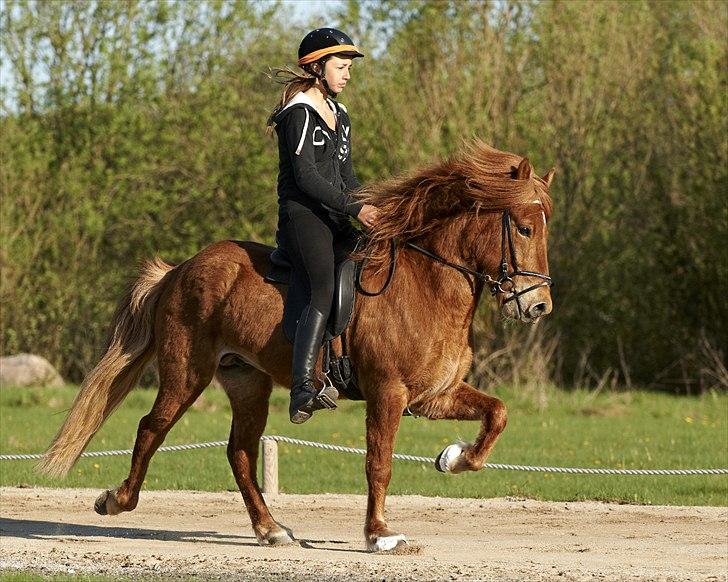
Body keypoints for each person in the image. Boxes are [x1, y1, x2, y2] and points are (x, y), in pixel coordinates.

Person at [267, 28, 379, 424]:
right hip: (303, 217)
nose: (347, 75)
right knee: (323, 287)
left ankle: (347, 365)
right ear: (317, 67)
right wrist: (354, 208)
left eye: (349, 68)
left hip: (334, 215)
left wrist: (371, 206)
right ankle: (301, 391)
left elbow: (345, 175)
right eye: (341, 67)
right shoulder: (297, 112)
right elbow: (307, 178)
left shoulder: (341, 115)